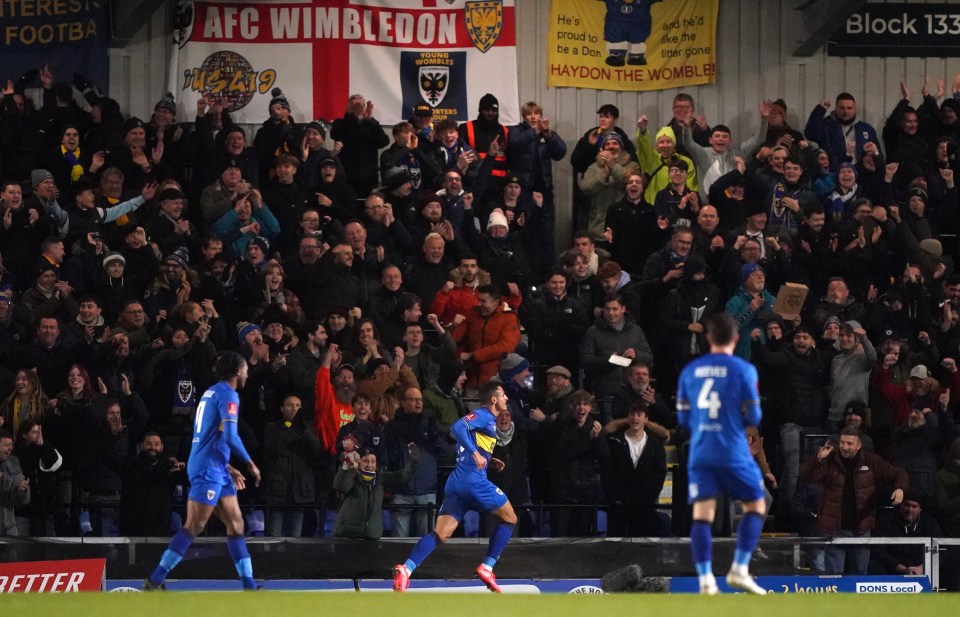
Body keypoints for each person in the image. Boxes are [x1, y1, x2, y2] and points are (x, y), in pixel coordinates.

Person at [144, 351, 262, 591]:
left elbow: (208, 434)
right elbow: (230, 435)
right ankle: (155, 579)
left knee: (236, 523)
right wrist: (249, 463)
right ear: (238, 371)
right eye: (246, 368)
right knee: (194, 526)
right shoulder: (229, 395)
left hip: (217, 466)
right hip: (208, 468)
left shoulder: (211, 392)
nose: (248, 372)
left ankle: (249, 585)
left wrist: (228, 466)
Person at [392, 381, 519, 593]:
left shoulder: (486, 421)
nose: (507, 398)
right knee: (510, 518)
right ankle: (487, 567)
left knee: (441, 533)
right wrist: (477, 454)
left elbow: (466, 437)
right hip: (473, 482)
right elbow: (457, 427)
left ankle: (406, 569)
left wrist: (488, 459)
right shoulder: (485, 415)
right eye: (504, 394)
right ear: (494, 399)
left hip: (457, 483)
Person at [675, 313, 767, 595]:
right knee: (757, 506)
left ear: (708, 338)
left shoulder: (690, 370)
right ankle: (739, 569)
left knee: (702, 515)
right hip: (733, 450)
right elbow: (755, 414)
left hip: (701, 451)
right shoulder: (743, 370)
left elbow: (682, 419)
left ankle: (705, 579)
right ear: (736, 339)